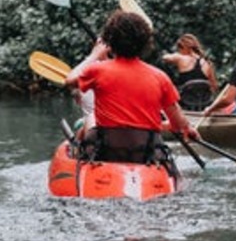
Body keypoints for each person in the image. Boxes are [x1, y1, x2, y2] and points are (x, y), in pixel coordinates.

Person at [65, 10, 199, 165]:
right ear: (145, 43)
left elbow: (70, 80)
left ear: (110, 43)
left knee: (91, 117)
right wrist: (187, 128)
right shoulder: (160, 77)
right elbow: (177, 124)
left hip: (106, 152)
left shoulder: (96, 71)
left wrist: (94, 55)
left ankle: (78, 153)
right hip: (145, 155)